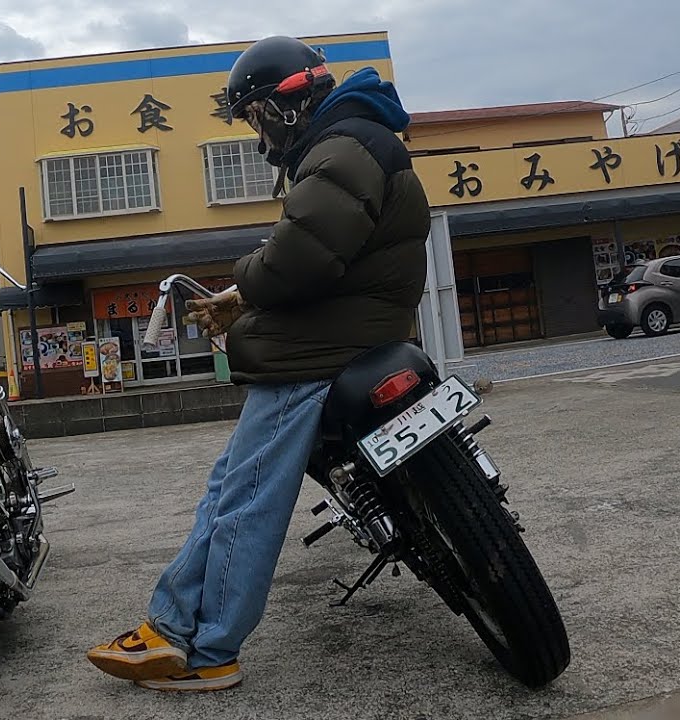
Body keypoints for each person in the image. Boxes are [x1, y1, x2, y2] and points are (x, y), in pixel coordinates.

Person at [86, 36, 432, 692]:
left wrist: (245, 278)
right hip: (357, 331)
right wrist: (243, 299)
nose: (255, 133)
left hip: (318, 352)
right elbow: (328, 253)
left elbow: (301, 255)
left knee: (243, 494)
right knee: (227, 482)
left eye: (253, 116)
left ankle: (206, 648)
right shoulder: (357, 140)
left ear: (281, 105)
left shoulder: (341, 147)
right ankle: (171, 621)